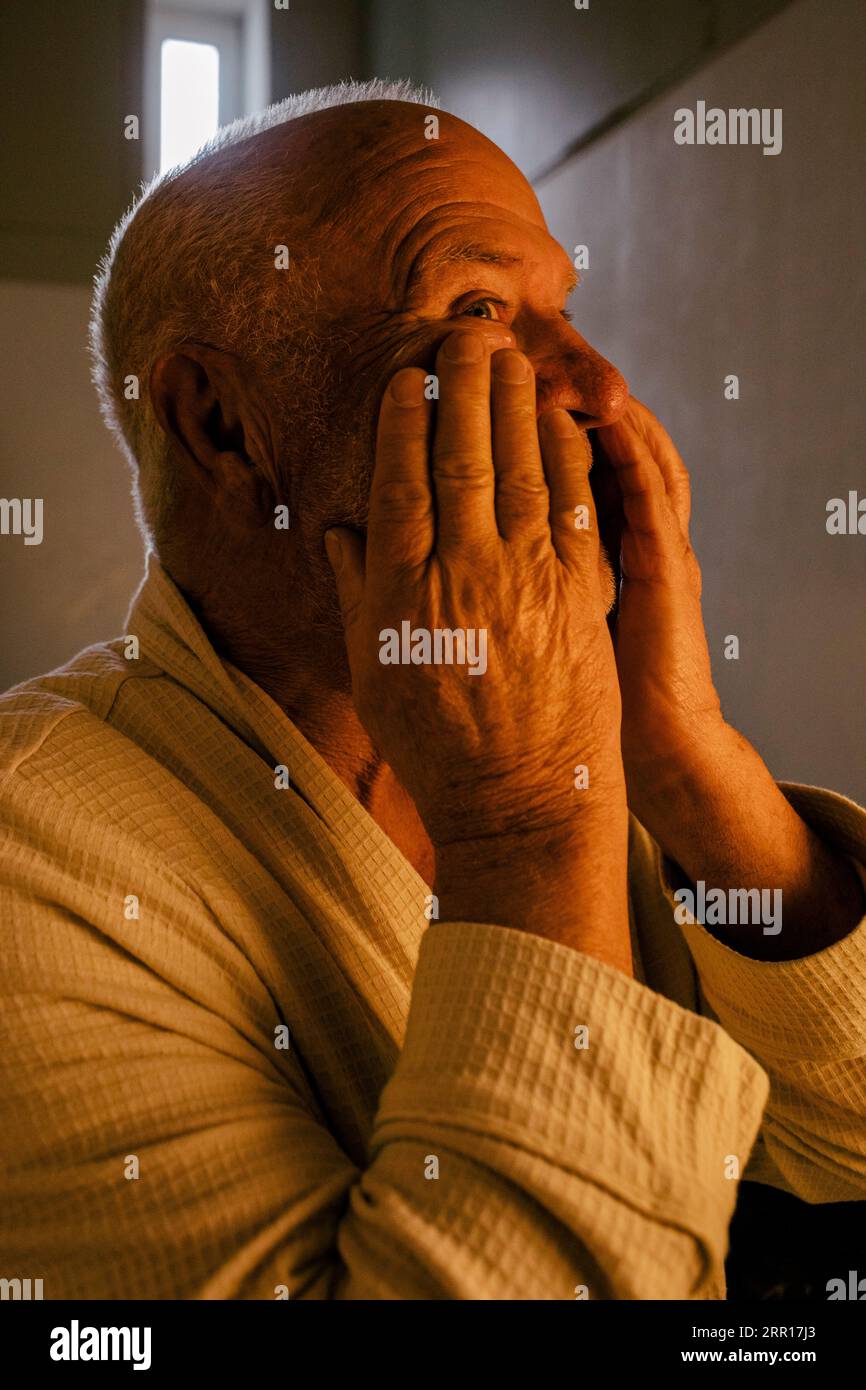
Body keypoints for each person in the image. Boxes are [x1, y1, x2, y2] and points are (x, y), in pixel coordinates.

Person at [1, 79, 864, 1300]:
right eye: (475, 311)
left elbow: (849, 1148)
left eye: (564, 312)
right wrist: (519, 824)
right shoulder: (31, 851)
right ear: (222, 427)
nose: (594, 386)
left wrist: (684, 758)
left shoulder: (596, 764)